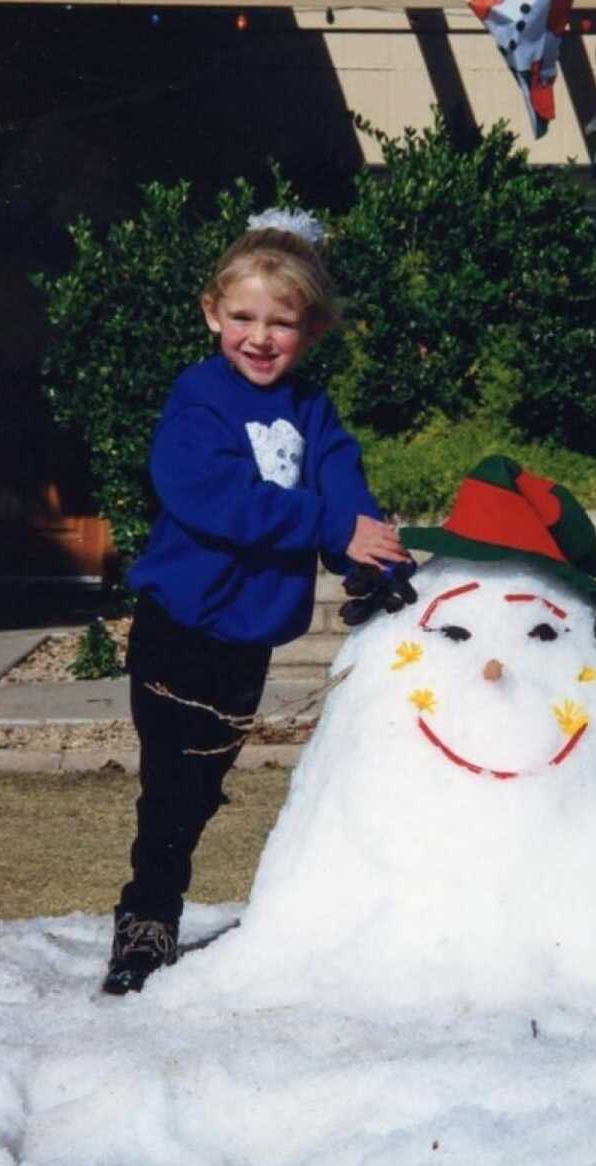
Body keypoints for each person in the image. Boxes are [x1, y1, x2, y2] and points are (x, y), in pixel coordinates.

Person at [103, 208, 412, 996]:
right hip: (177, 624)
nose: (260, 337)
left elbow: (342, 489)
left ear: (310, 330)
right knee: (173, 779)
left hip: (250, 637)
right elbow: (214, 498)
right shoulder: (198, 399)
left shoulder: (314, 413)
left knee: (202, 787)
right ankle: (146, 920)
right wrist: (328, 522)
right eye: (242, 317)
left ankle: (159, 887)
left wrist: (365, 554)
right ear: (213, 313)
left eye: (282, 322)